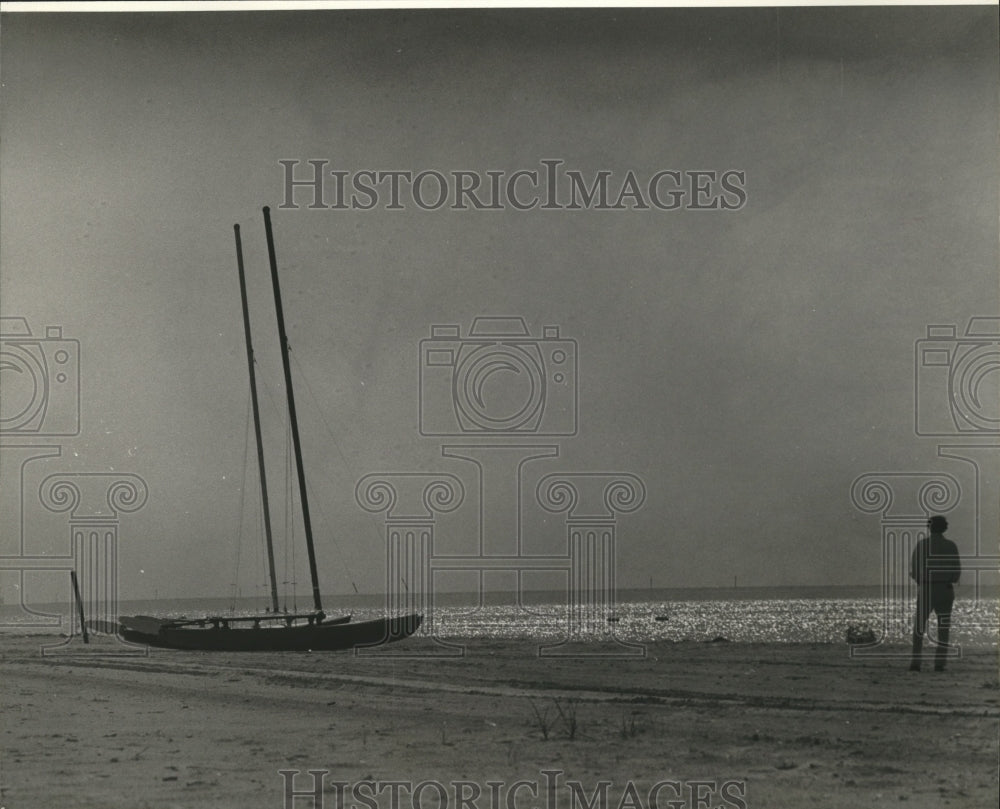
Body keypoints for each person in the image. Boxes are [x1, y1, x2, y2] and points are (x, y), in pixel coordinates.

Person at [909, 515, 961, 672]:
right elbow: (956, 571)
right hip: (945, 588)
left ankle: (915, 662)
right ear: (944, 527)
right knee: (943, 628)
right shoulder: (951, 546)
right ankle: (939, 663)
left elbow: (914, 570)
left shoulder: (921, 545)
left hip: (926, 588)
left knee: (919, 627)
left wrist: (921, 582)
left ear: (929, 527)